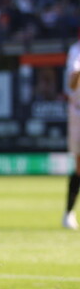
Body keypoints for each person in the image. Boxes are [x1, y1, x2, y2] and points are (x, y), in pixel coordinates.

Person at [63, 33, 80, 230]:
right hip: (78, 113)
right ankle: (68, 212)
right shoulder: (76, 51)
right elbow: (71, 84)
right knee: (79, 166)